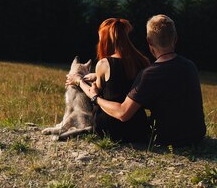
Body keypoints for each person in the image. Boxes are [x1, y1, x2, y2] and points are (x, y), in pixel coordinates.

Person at [77, 14, 206, 147]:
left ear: (149, 41)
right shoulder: (190, 66)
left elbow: (123, 113)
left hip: (168, 139)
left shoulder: (150, 74)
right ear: (176, 39)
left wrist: (95, 97)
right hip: (197, 135)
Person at [67, 18, 150, 142]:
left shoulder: (104, 64)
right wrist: (97, 75)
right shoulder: (143, 61)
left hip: (109, 129)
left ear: (107, 40)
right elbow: (123, 78)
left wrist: (79, 80)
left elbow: (93, 93)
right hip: (137, 129)